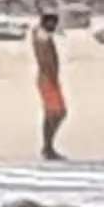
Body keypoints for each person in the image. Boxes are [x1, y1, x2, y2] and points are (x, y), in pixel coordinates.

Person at [31, 10, 67, 161]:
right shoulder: (41, 35)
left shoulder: (42, 35)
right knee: (58, 113)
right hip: (47, 78)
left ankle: (48, 146)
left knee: (53, 113)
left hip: (48, 78)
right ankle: (47, 146)